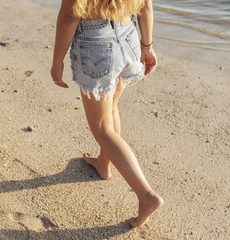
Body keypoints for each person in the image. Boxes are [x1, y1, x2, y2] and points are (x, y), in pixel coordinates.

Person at [50, 0, 163, 227]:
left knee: (101, 128)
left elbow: (70, 16)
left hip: (96, 47)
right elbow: (146, 5)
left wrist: (57, 60)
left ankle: (146, 196)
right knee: (110, 109)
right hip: (129, 36)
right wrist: (147, 46)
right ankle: (104, 163)